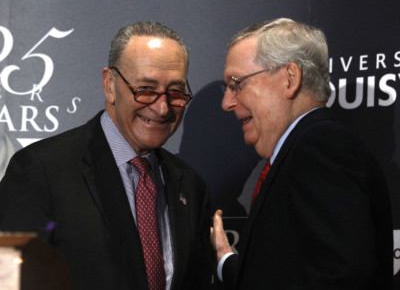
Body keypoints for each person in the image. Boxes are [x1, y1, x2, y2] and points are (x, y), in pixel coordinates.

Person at [0, 22, 211, 290]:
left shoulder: (191, 187)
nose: (162, 107)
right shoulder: (41, 171)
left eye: (175, 91)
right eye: (146, 89)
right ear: (110, 85)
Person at [211, 18, 393, 289]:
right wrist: (226, 261)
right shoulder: (302, 150)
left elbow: (339, 278)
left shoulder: (322, 148)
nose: (227, 102)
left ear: (289, 79)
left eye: (237, 84)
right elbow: (286, 274)